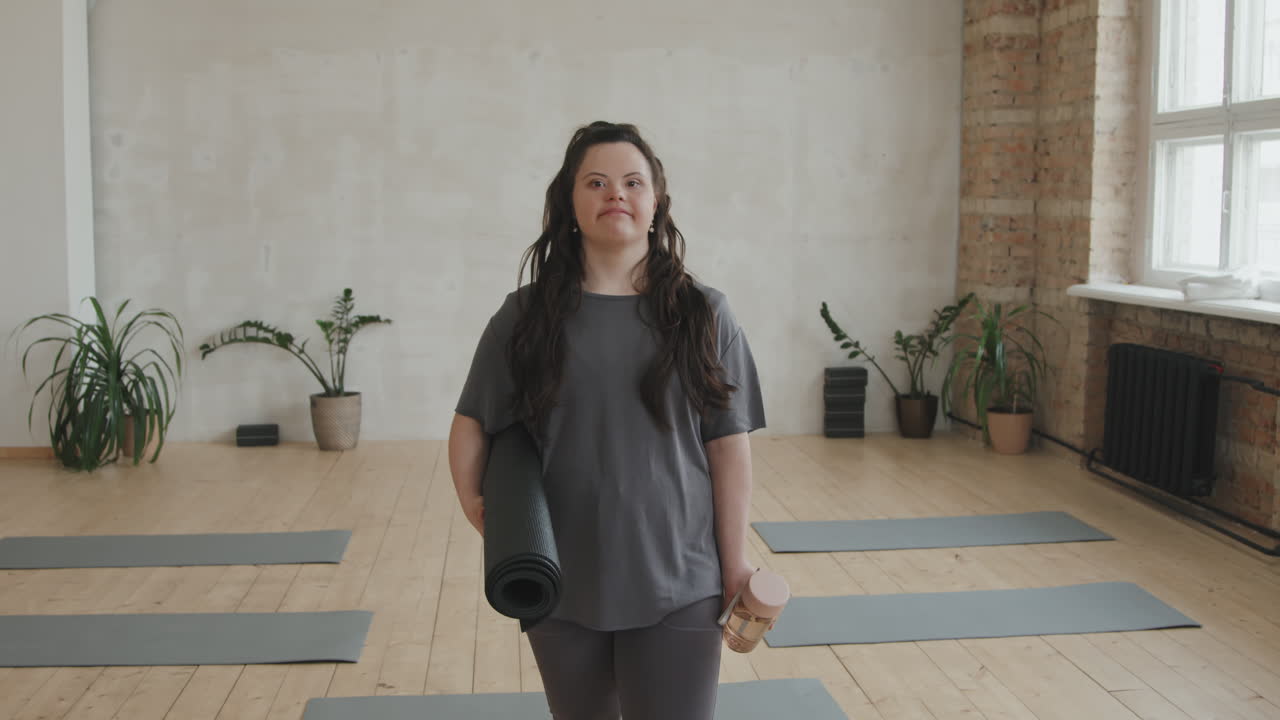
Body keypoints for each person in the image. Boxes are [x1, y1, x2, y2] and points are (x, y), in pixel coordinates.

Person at [448, 121, 766, 720]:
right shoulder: (525, 316)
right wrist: (484, 513)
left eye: (632, 181)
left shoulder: (705, 313)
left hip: (681, 580)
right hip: (562, 582)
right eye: (595, 182)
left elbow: (729, 445)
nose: (614, 193)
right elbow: (472, 419)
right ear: (570, 204)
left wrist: (735, 562)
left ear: (655, 204)